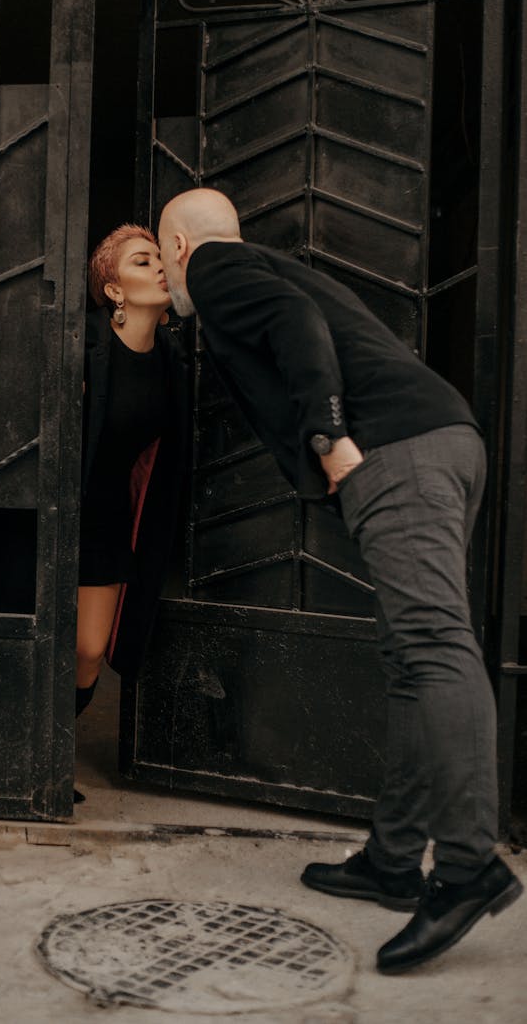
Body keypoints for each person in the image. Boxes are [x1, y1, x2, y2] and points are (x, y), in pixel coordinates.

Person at [156, 187, 522, 974]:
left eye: (163, 253)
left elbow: (298, 330)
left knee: (433, 648)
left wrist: (328, 435)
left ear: (181, 246)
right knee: (409, 661)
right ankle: (392, 860)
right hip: (434, 442)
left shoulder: (216, 268)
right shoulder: (258, 264)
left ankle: (465, 868)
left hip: (397, 453)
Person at [75, 224, 188, 798]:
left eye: (161, 259)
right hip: (60, 509)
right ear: (114, 289)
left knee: (90, 652)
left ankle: (53, 742)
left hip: (110, 517)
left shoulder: (171, 357)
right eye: (143, 262)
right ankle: (39, 762)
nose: (159, 269)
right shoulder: (83, 343)